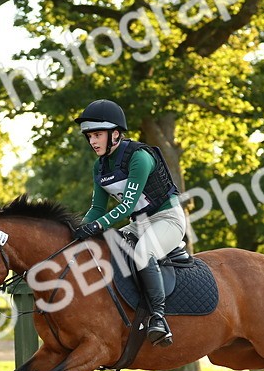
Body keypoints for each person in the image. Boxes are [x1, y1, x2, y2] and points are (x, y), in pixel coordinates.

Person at [71, 99, 186, 346]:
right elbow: (97, 209)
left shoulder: (139, 157)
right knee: (105, 248)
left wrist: (97, 226)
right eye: (89, 136)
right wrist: (76, 230)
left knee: (143, 252)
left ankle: (158, 318)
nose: (92, 142)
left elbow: (125, 207)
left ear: (115, 134)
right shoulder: (99, 166)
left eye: (97, 135)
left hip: (168, 219)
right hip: (139, 224)